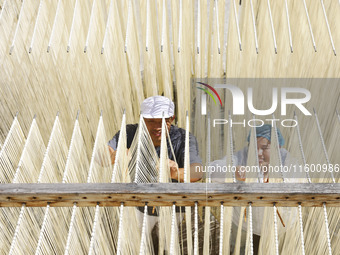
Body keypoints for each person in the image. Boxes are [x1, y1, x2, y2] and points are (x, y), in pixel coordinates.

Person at [108, 95, 203, 183]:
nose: (158, 127)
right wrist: (113, 156)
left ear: (172, 119)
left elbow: (197, 172)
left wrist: (175, 173)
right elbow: (103, 154)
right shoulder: (129, 133)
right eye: (151, 121)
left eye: (163, 121)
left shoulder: (183, 138)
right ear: (141, 119)